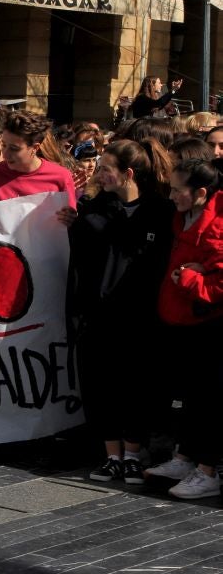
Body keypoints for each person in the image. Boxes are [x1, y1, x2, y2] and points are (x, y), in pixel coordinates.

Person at [65, 139, 174, 486]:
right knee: (100, 386)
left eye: (106, 169)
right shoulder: (95, 209)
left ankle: (132, 453)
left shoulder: (159, 211)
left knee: (135, 386)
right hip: (98, 316)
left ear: (128, 173)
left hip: (141, 317)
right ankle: (112, 456)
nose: (100, 174)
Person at [146, 158, 223, 499]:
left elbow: (219, 282)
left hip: (207, 324)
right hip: (182, 319)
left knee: (209, 399)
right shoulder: (184, 217)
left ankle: (207, 469)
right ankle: (185, 457)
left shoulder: (216, 226)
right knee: (191, 395)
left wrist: (191, 279)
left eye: (178, 190)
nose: (172, 195)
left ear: (201, 192)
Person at [0, 111, 77, 211]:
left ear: (35, 148)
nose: (6, 153)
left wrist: (68, 217)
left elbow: (69, 217)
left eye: (14, 149)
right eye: (4, 145)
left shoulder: (61, 176)